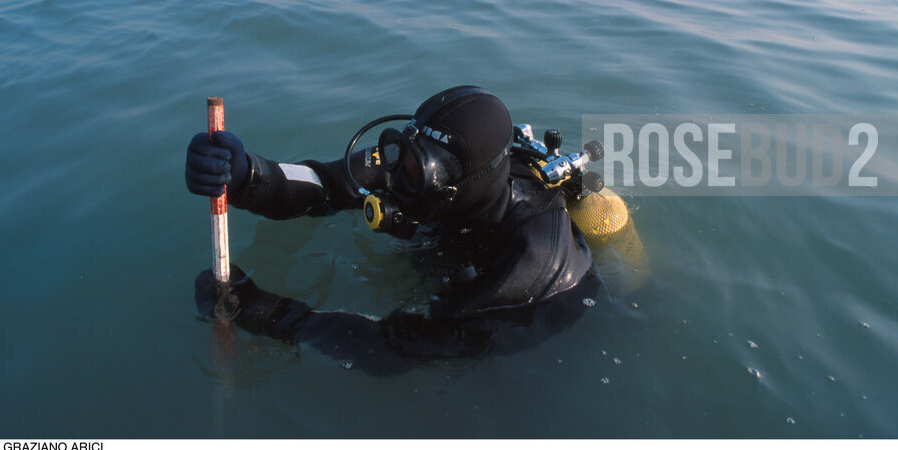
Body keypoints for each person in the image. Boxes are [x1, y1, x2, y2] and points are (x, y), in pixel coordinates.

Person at [186, 85, 600, 374]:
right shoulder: (411, 161)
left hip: (548, 313)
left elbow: (405, 346)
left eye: (415, 173)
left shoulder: (530, 262)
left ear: (457, 186)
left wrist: (267, 314)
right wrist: (245, 177)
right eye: (399, 155)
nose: (396, 179)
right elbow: (326, 184)